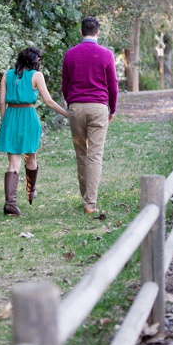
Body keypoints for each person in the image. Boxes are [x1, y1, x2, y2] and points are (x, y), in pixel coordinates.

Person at [0, 47, 69, 216]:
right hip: (29, 117)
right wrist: (67, 114)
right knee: (31, 156)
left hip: (10, 116)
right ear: (35, 61)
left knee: (13, 163)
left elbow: (1, 102)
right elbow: (49, 101)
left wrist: (4, 122)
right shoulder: (37, 76)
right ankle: (30, 190)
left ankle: (10, 203)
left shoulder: (7, 75)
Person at [61, 17, 118, 214]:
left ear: (81, 32)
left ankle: (86, 198)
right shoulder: (106, 54)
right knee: (95, 155)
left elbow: (65, 84)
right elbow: (113, 85)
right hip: (98, 107)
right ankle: (89, 204)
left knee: (81, 156)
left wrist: (71, 105)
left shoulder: (70, 54)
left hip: (76, 107)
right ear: (98, 33)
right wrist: (113, 108)